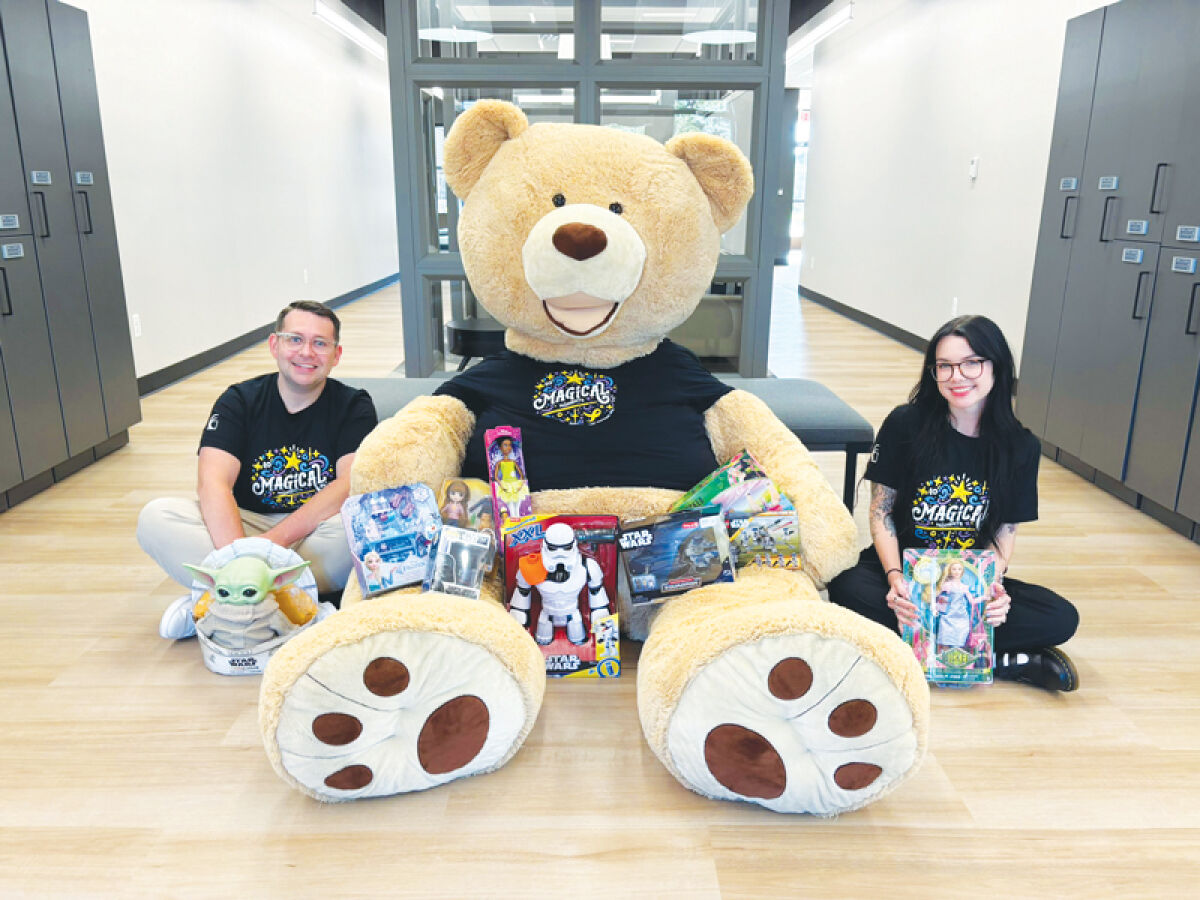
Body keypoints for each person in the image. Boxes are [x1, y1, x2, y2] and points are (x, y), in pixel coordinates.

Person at [827, 315, 1080, 691]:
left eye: (971, 363)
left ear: (997, 367)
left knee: (1061, 617)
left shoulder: (1020, 446)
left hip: (968, 581)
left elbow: (1005, 530)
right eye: (944, 366)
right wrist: (896, 579)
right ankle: (1002, 659)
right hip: (905, 576)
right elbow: (880, 514)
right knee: (846, 587)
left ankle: (905, 651)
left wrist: (993, 590)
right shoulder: (905, 424)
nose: (956, 376)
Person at [138, 300, 378, 639]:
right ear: (274, 345)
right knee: (156, 516)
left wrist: (263, 551)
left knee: (363, 526)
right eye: (295, 339)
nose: (306, 352)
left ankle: (216, 601)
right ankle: (293, 604)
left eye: (320, 343)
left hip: (313, 531)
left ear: (336, 355)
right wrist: (241, 554)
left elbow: (348, 484)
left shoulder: (354, 404)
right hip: (243, 528)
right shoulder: (239, 400)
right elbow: (213, 483)